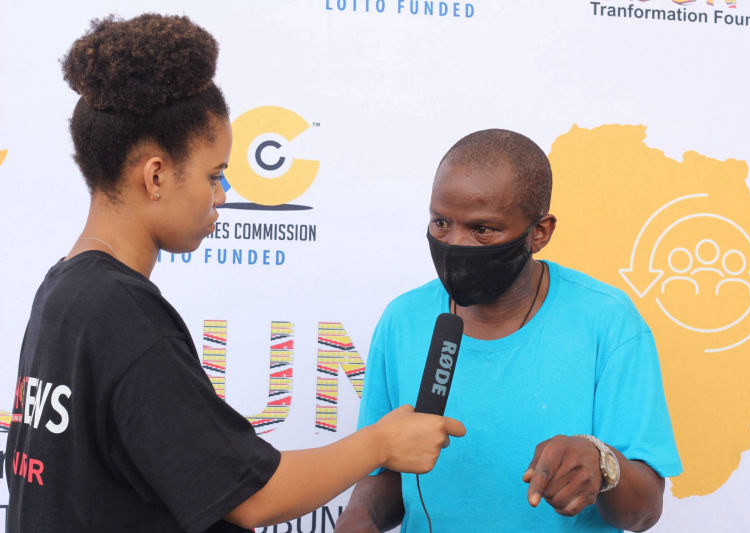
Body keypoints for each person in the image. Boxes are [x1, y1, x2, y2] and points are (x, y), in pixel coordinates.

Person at [4, 14, 465, 533]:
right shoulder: (122, 314)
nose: (222, 196)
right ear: (155, 176)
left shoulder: (62, 291)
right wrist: (380, 443)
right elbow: (251, 497)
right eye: (214, 175)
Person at [335, 129, 682, 532]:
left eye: (482, 229)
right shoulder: (403, 319)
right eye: (441, 222)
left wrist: (600, 461)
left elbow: (644, 511)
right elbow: (385, 473)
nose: (455, 244)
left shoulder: (608, 321)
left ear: (540, 232)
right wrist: (360, 515)